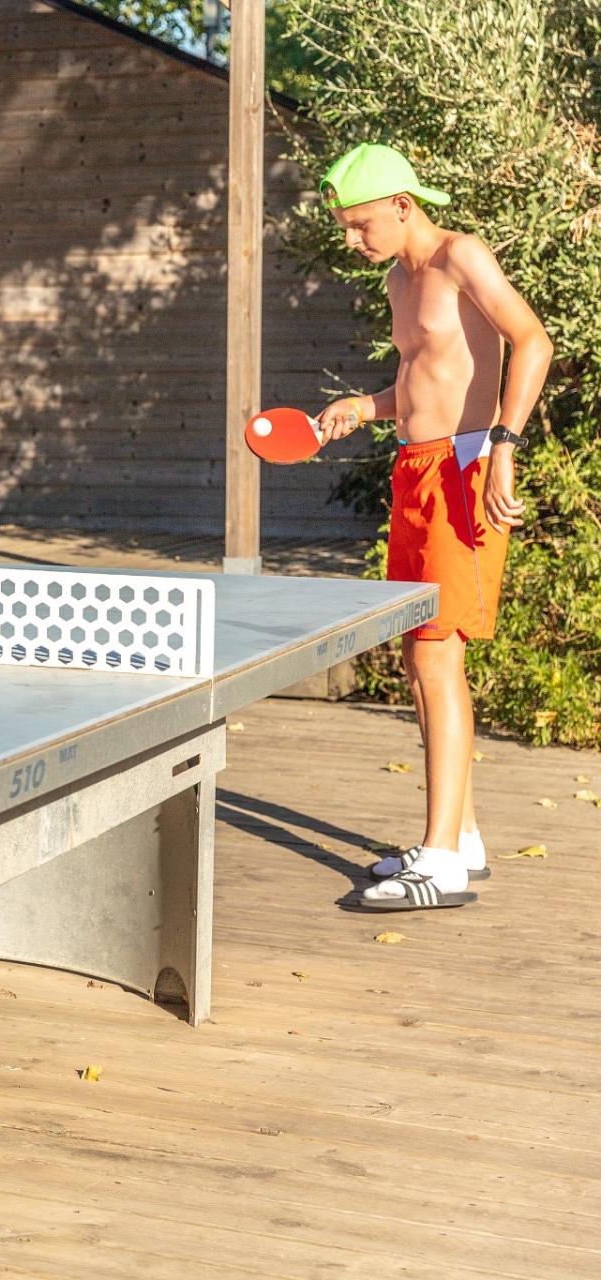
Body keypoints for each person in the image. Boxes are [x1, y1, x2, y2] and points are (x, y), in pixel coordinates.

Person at [313, 143, 552, 912]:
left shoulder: (460, 257)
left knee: (436, 652)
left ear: (402, 205)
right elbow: (423, 381)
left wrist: (504, 447)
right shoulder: (398, 280)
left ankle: (442, 860)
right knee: (419, 656)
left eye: (361, 225)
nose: (353, 240)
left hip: (465, 468)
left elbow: (534, 340)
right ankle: (462, 837)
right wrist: (366, 406)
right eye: (346, 228)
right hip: (415, 471)